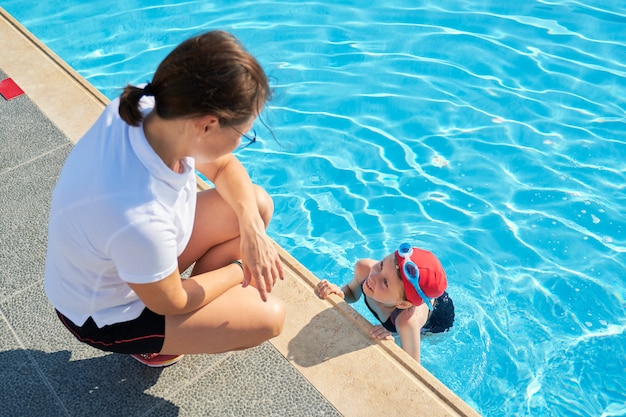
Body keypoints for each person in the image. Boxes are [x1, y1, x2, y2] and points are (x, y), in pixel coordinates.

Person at [44, 30, 286, 367]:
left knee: (255, 207)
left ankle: (184, 306)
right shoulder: (138, 214)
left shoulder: (149, 109)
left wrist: (253, 230)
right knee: (269, 316)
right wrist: (240, 269)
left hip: (127, 261)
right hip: (104, 314)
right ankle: (154, 343)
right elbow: (171, 301)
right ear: (206, 126)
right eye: (243, 134)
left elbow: (224, 166)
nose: (239, 143)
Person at [315, 243, 454, 362]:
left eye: (385, 282)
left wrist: (392, 346)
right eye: (381, 265)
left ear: (402, 304)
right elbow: (352, 293)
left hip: (436, 319)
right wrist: (340, 293)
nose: (373, 276)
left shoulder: (406, 321)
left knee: (405, 338)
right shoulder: (364, 269)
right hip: (412, 295)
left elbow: (413, 367)